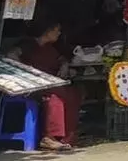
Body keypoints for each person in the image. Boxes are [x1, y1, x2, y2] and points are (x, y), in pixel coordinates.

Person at [8, 21, 82, 151]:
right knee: (55, 97)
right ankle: (49, 138)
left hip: (51, 82)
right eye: (56, 30)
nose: (59, 33)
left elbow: (61, 59)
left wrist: (64, 65)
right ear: (48, 31)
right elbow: (11, 55)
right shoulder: (28, 44)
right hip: (33, 85)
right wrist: (26, 71)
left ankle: (66, 138)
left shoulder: (50, 48)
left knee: (73, 93)